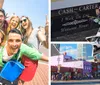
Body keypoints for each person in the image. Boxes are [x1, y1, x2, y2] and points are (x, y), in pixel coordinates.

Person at [19, 16, 48, 85]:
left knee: (20, 81)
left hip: (31, 60)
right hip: (22, 59)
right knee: (17, 79)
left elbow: (46, 45)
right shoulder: (23, 34)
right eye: (21, 21)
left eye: (24, 20)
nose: (23, 22)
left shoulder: (36, 31)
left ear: (29, 21)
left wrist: (48, 31)